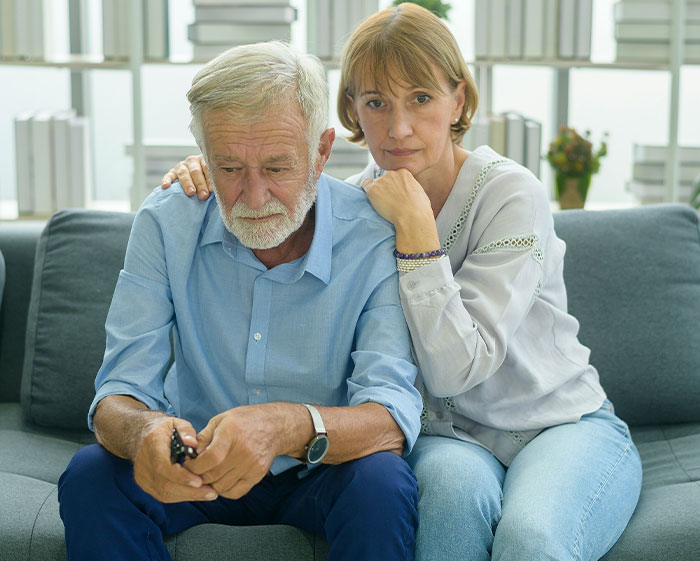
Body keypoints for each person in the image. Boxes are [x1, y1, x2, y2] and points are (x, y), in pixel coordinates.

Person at [162, 4, 644, 561]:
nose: (399, 128)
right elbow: (262, 177)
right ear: (351, 112)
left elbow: (458, 369)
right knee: (444, 519)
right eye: (375, 103)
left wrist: (416, 230)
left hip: (560, 426)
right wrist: (200, 169)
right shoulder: (348, 207)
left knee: (530, 540)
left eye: (421, 98)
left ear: (457, 99)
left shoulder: (512, 195)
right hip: (446, 439)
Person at [57, 41, 424, 561]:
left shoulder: (372, 234)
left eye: (277, 168)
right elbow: (119, 390)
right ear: (203, 153)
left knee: (382, 481)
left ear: (321, 152)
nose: (254, 198)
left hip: (322, 471)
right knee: (93, 474)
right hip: (196, 468)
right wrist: (145, 434)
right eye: (229, 168)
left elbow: (390, 412)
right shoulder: (166, 221)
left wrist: (290, 426)